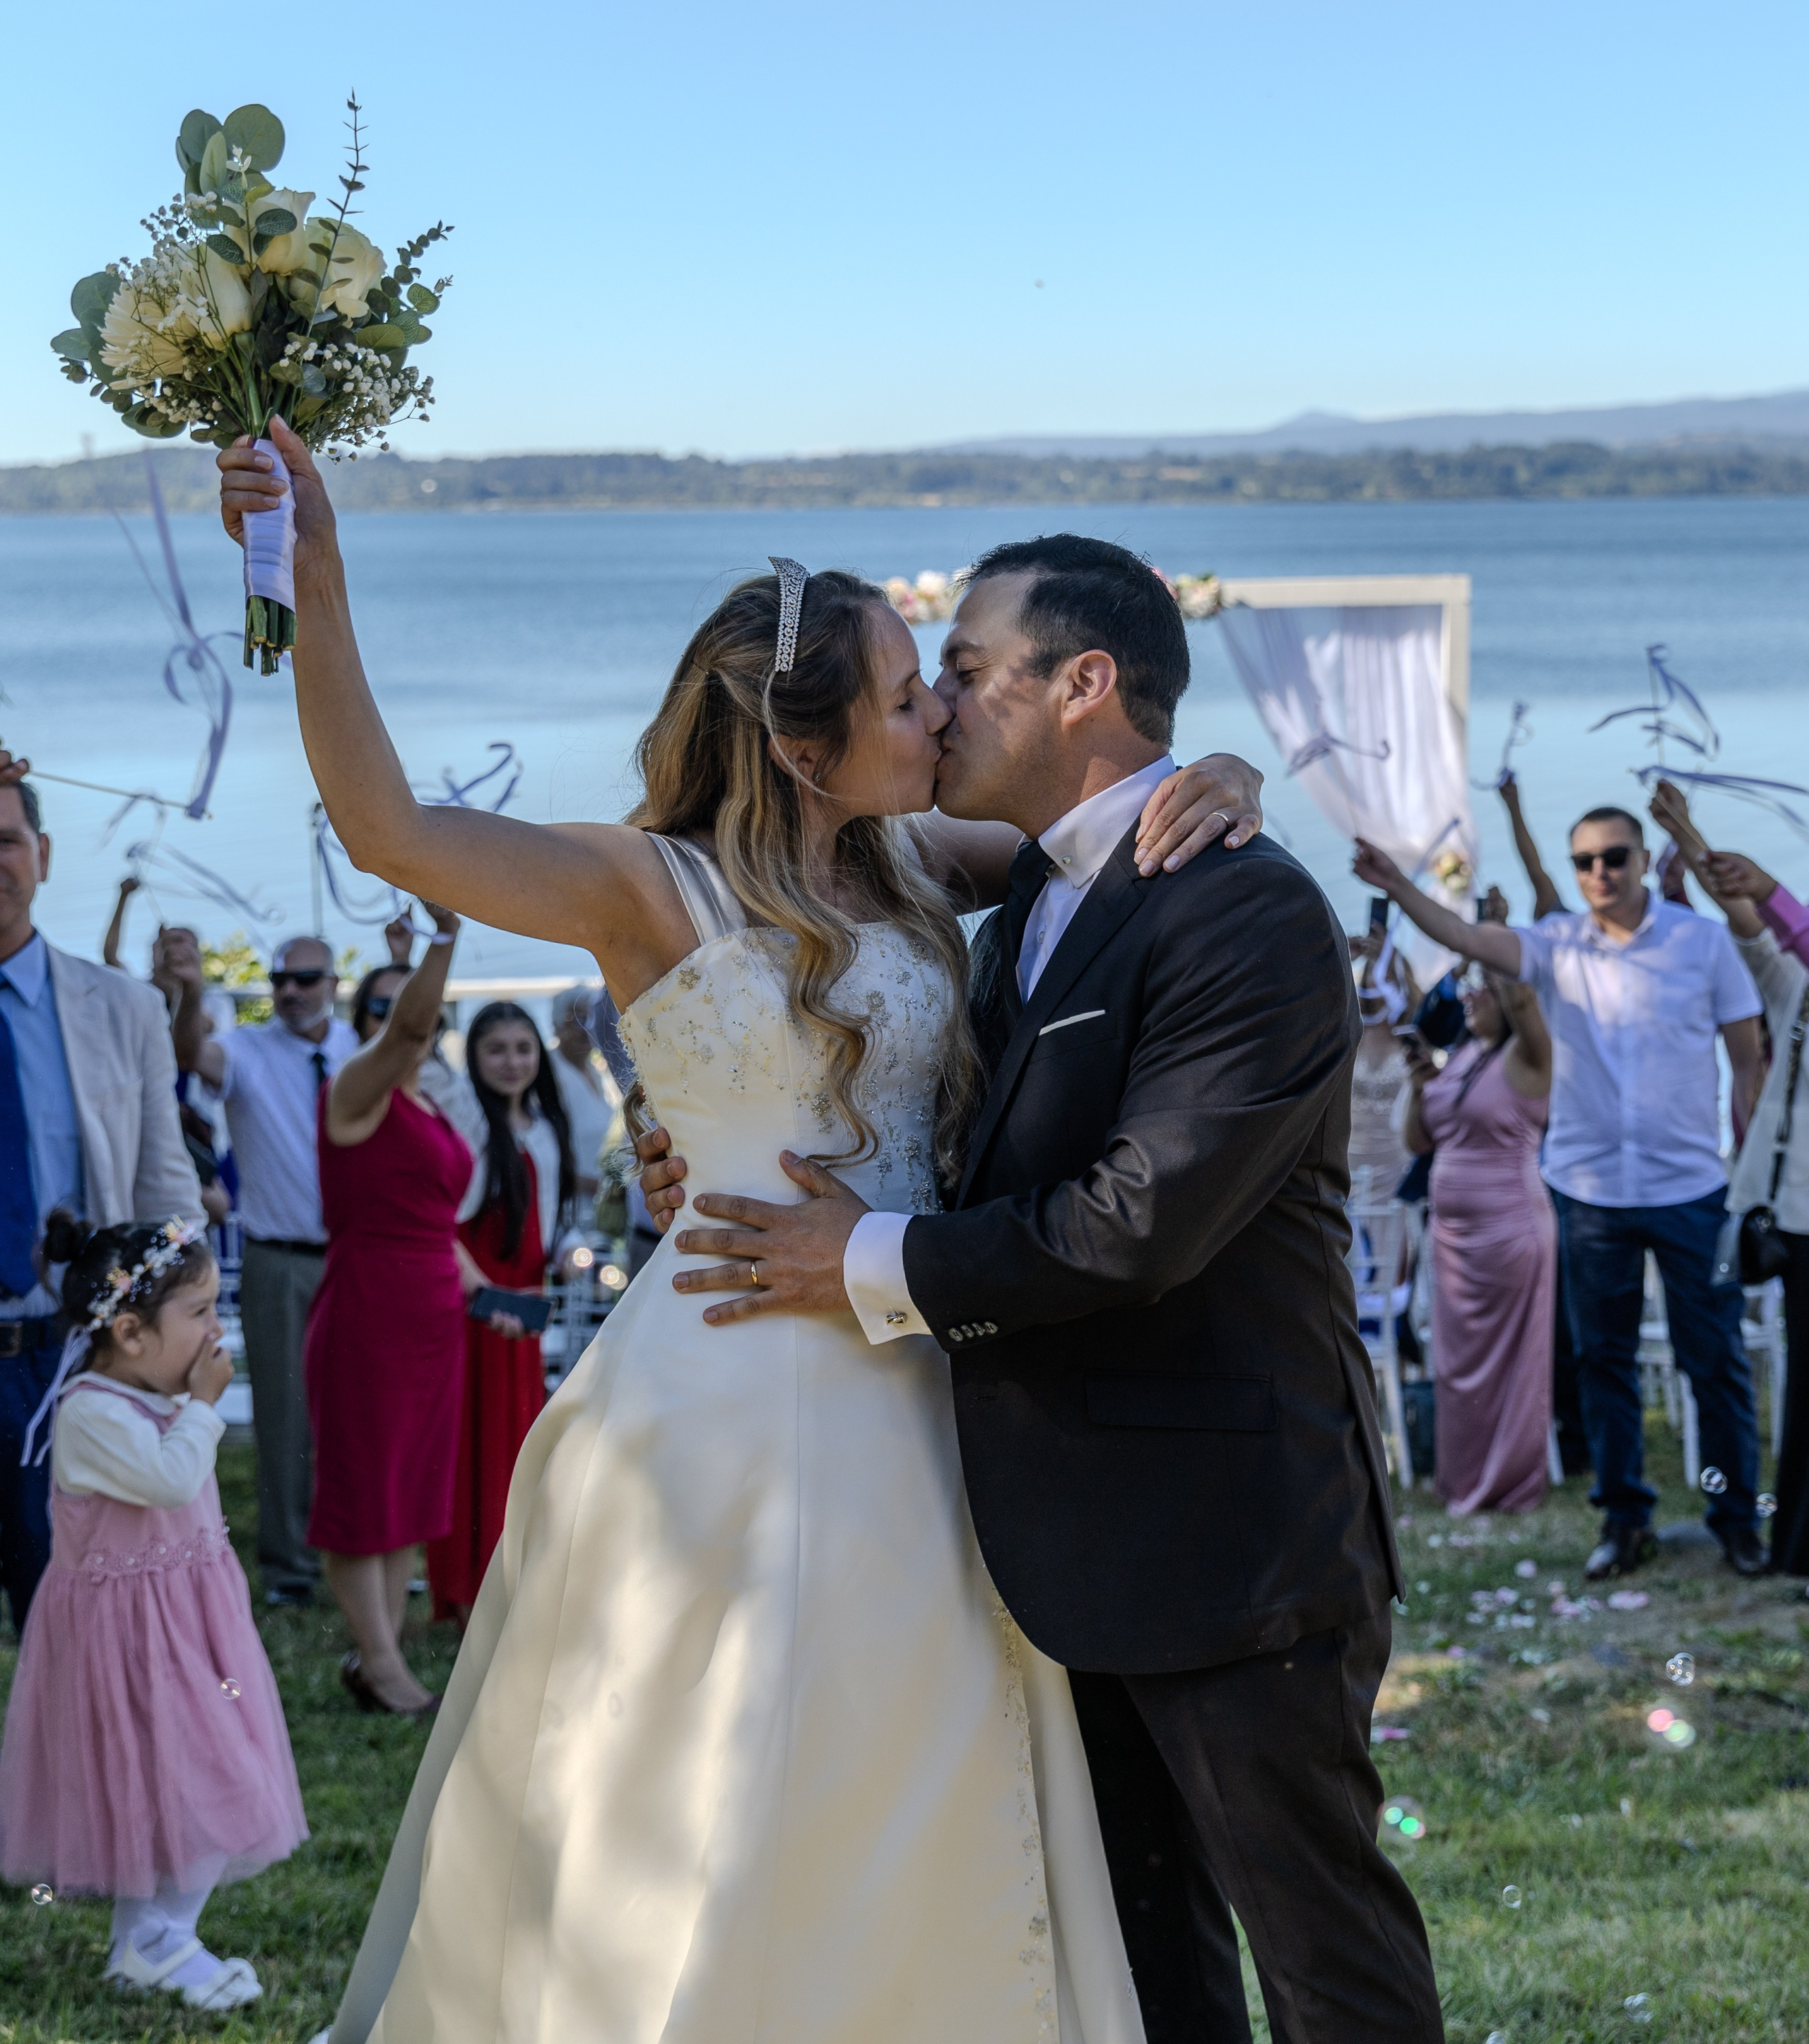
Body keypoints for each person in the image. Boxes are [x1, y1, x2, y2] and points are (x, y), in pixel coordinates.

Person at [218, 422, 1269, 2044]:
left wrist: (1217, 777)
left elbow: (1094, 834)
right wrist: (311, 582)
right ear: (799, 740)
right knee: (715, 1777)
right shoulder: (643, 888)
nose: (938, 714)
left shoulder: (918, 861)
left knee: (924, 1766)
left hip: (926, 1382)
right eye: (909, 691)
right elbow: (387, 828)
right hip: (721, 1402)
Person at [640, 539, 1444, 2038]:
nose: (936, 710)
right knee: (1147, 1972)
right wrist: (703, 1126)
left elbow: (1139, 1220)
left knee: (1323, 1961)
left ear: (1082, 684)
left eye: (961, 671)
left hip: (1232, 1548)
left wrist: (857, 1259)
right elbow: (836, 954)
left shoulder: (1240, 907)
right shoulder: (1029, 907)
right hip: (1055, 1552)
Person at [1355, 805, 1767, 1581]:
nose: (1599, 873)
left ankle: (1735, 1519)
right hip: (1587, 1194)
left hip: (1691, 1190)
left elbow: (1746, 1063)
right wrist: (1391, 886)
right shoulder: (1556, 946)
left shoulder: (1703, 942)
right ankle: (1623, 1519)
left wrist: (1749, 1172)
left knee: (1713, 1361)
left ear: (1642, 859)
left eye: (1614, 856)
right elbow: (1466, 937)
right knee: (1600, 1362)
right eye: (1583, 862)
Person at [0, 1210, 306, 2011]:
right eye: (200, 1312)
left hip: (192, 1628)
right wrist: (205, 1408)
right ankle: (154, 1939)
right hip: (127, 1642)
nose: (215, 1329)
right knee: (166, 1784)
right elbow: (170, 1479)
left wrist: (193, 1404)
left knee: (211, 1772)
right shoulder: (90, 1411)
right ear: (130, 1333)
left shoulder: (157, 1392)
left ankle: (156, 1938)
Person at [0, 768, 204, 1634]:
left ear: (42, 856)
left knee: (83, 1634)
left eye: (5, 840)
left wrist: (179, 1351)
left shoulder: (122, 1009)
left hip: (71, 1372)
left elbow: (168, 1201)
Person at [305, 905, 471, 1718]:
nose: (403, 1017)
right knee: (364, 1489)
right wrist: (443, 942)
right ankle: (378, 1663)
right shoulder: (353, 1093)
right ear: (362, 1022)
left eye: (408, 1004)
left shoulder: (434, 1102)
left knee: (408, 1485)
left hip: (433, 1313)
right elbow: (405, 1036)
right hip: (368, 1307)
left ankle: (384, 1652)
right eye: (380, 1007)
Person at [165, 926, 359, 1608]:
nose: (290, 992)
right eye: (279, 980)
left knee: (359, 1415)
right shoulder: (244, 1049)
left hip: (357, 1258)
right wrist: (190, 990)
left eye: (305, 979)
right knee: (284, 1416)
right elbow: (187, 1053)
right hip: (279, 1260)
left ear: (333, 985)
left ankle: (360, 1554)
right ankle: (289, 1570)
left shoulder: (357, 1048)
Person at [1656, 797, 1809, 1584]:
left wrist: (1775, 884)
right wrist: (1687, 834)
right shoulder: (1792, 994)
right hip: (1794, 1223)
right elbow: (1751, 921)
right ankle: (1795, 1550)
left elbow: (1780, 914)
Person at [428, 1001, 575, 1628]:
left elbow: (557, 1216)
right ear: (474, 1057)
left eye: (523, 1048)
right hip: (480, 1308)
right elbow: (446, 1226)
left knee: (519, 1445)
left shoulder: (546, 1123)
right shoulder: (467, 1127)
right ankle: (466, 1593)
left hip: (527, 1301)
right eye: (496, 1049)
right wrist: (485, 1295)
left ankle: (513, 1582)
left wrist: (568, 1253)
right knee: (474, 1448)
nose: (512, 1062)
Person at [1401, 965, 1554, 1512]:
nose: (1468, 996)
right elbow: (1418, 1140)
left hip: (1509, 1229)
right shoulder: (1461, 1056)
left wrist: (1488, 940)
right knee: (1456, 1364)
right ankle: (1464, 1479)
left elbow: (1526, 994)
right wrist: (1419, 1087)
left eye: (1480, 985)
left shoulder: (1528, 1055)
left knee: (1511, 1363)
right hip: (1451, 1235)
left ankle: (1509, 1483)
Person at [1492, 773, 1590, 1475]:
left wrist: (1514, 807)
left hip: (1574, 1139)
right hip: (1552, 1142)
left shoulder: (1579, 948)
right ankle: (1566, 1432)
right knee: (1559, 1302)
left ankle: (1580, 1434)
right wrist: (1513, 807)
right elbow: (1538, 876)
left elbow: (1539, 877)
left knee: (1577, 1303)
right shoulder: (1554, 950)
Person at [548, 985, 615, 1204]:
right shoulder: (549, 1073)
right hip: (568, 1204)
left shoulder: (596, 1070)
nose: (584, 1028)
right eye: (575, 1021)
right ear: (556, 1027)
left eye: (590, 1019)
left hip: (599, 1205)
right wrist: (601, 1187)